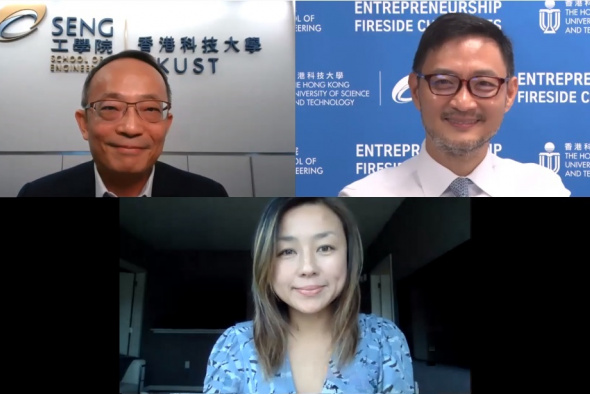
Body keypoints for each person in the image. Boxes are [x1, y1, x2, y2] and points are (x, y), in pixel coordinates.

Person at [339, 13, 570, 197]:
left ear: (509, 94)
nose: (463, 102)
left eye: (484, 84)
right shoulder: (363, 196)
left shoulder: (545, 190)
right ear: (415, 91)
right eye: (443, 82)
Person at [203, 197, 415, 393]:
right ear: (265, 263)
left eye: (325, 247)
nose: (307, 268)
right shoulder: (235, 345)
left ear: (349, 257)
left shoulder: (384, 339)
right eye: (287, 251)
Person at [17, 50, 228, 197]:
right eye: (110, 107)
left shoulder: (208, 195)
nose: (131, 128)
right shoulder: (38, 194)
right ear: (84, 124)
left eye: (150, 109)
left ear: (166, 124)